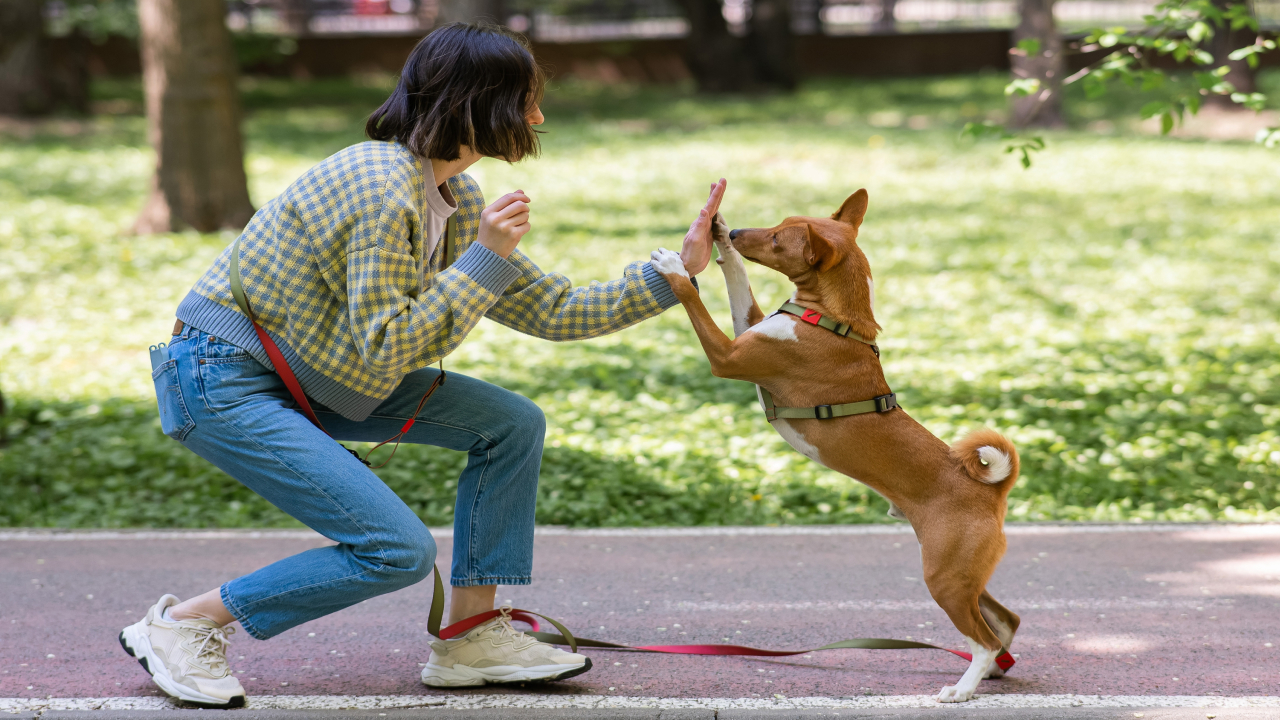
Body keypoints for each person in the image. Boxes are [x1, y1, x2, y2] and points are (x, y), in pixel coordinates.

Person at [122, 22, 727, 707]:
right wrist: (486, 259)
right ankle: (181, 626)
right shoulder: (380, 187)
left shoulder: (452, 197)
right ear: (480, 101)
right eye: (526, 99)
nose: (538, 117)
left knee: (510, 423)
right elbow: (388, 345)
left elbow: (555, 310)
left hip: (317, 371)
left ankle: (469, 635)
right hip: (222, 377)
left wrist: (678, 271)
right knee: (394, 551)